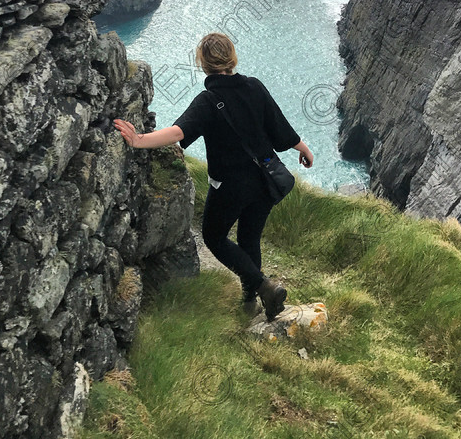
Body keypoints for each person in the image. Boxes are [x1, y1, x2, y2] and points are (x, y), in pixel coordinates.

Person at [114, 32, 314, 322]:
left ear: (203, 64)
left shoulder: (209, 100)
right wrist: (303, 148)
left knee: (214, 236)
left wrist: (139, 140)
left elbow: (179, 132)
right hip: (265, 179)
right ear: (231, 57)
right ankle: (252, 301)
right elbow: (279, 126)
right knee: (249, 237)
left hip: (231, 186)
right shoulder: (254, 87)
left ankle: (261, 287)